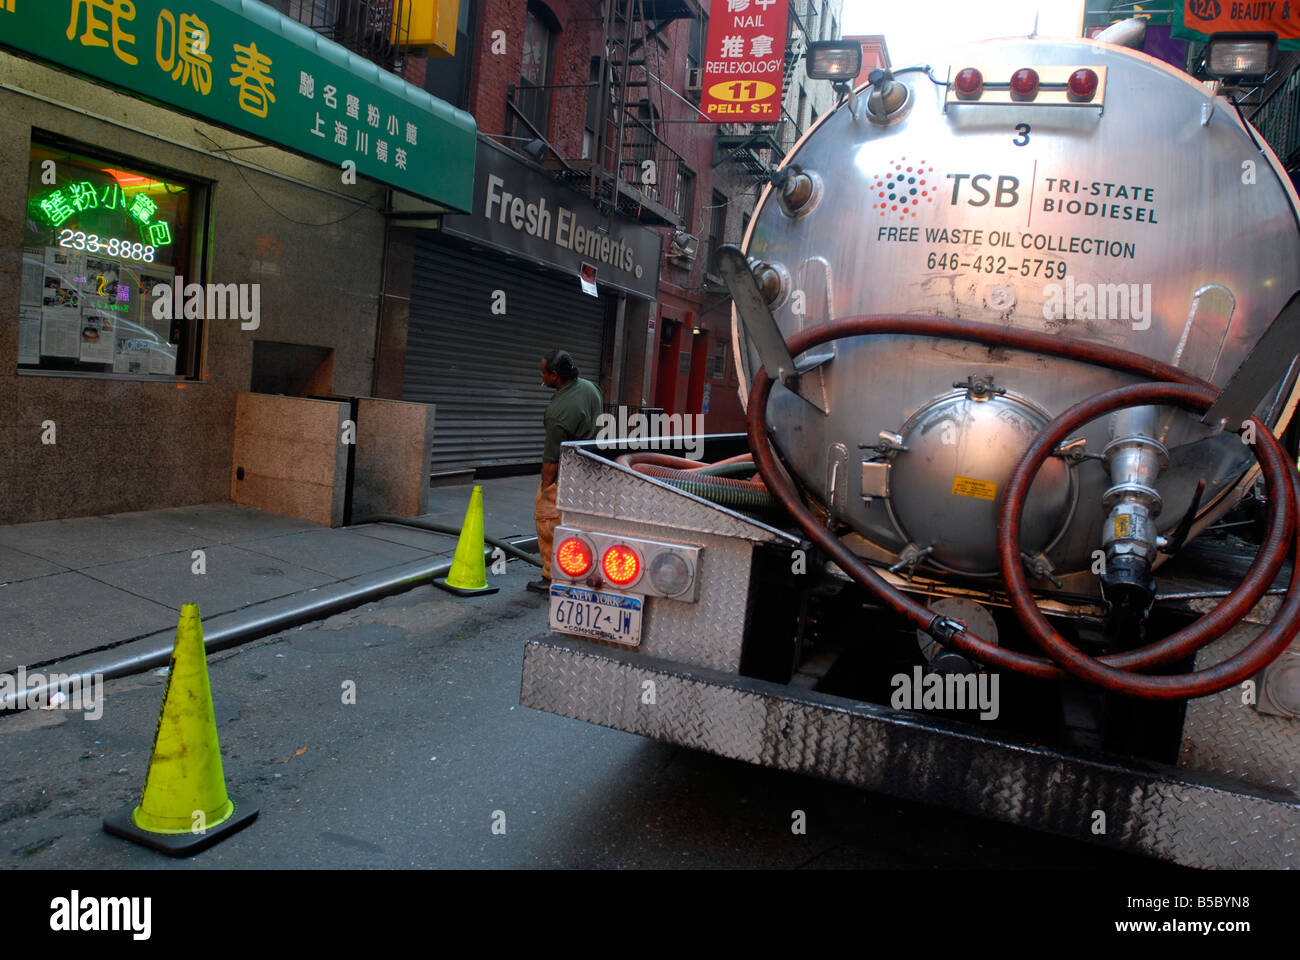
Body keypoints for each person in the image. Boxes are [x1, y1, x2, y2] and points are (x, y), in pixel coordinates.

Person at [528, 349, 604, 594]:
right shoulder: (590, 388)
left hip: (566, 475)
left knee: (548, 522)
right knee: (579, 526)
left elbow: (551, 459)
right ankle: (580, 569)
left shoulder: (558, 412)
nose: (541, 375)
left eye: (544, 372)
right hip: (592, 470)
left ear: (555, 376)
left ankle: (551, 576)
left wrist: (546, 488)